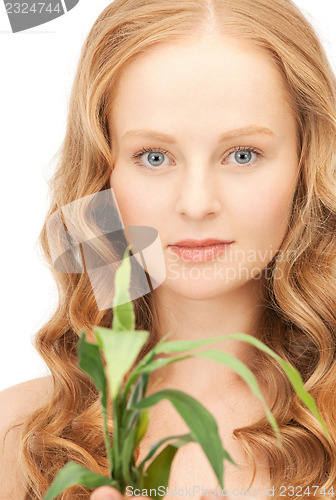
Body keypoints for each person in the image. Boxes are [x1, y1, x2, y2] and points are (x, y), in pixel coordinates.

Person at [1, 0, 335, 499]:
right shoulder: (21, 436)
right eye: (154, 156)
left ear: (306, 165)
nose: (197, 203)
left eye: (242, 154)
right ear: (103, 172)